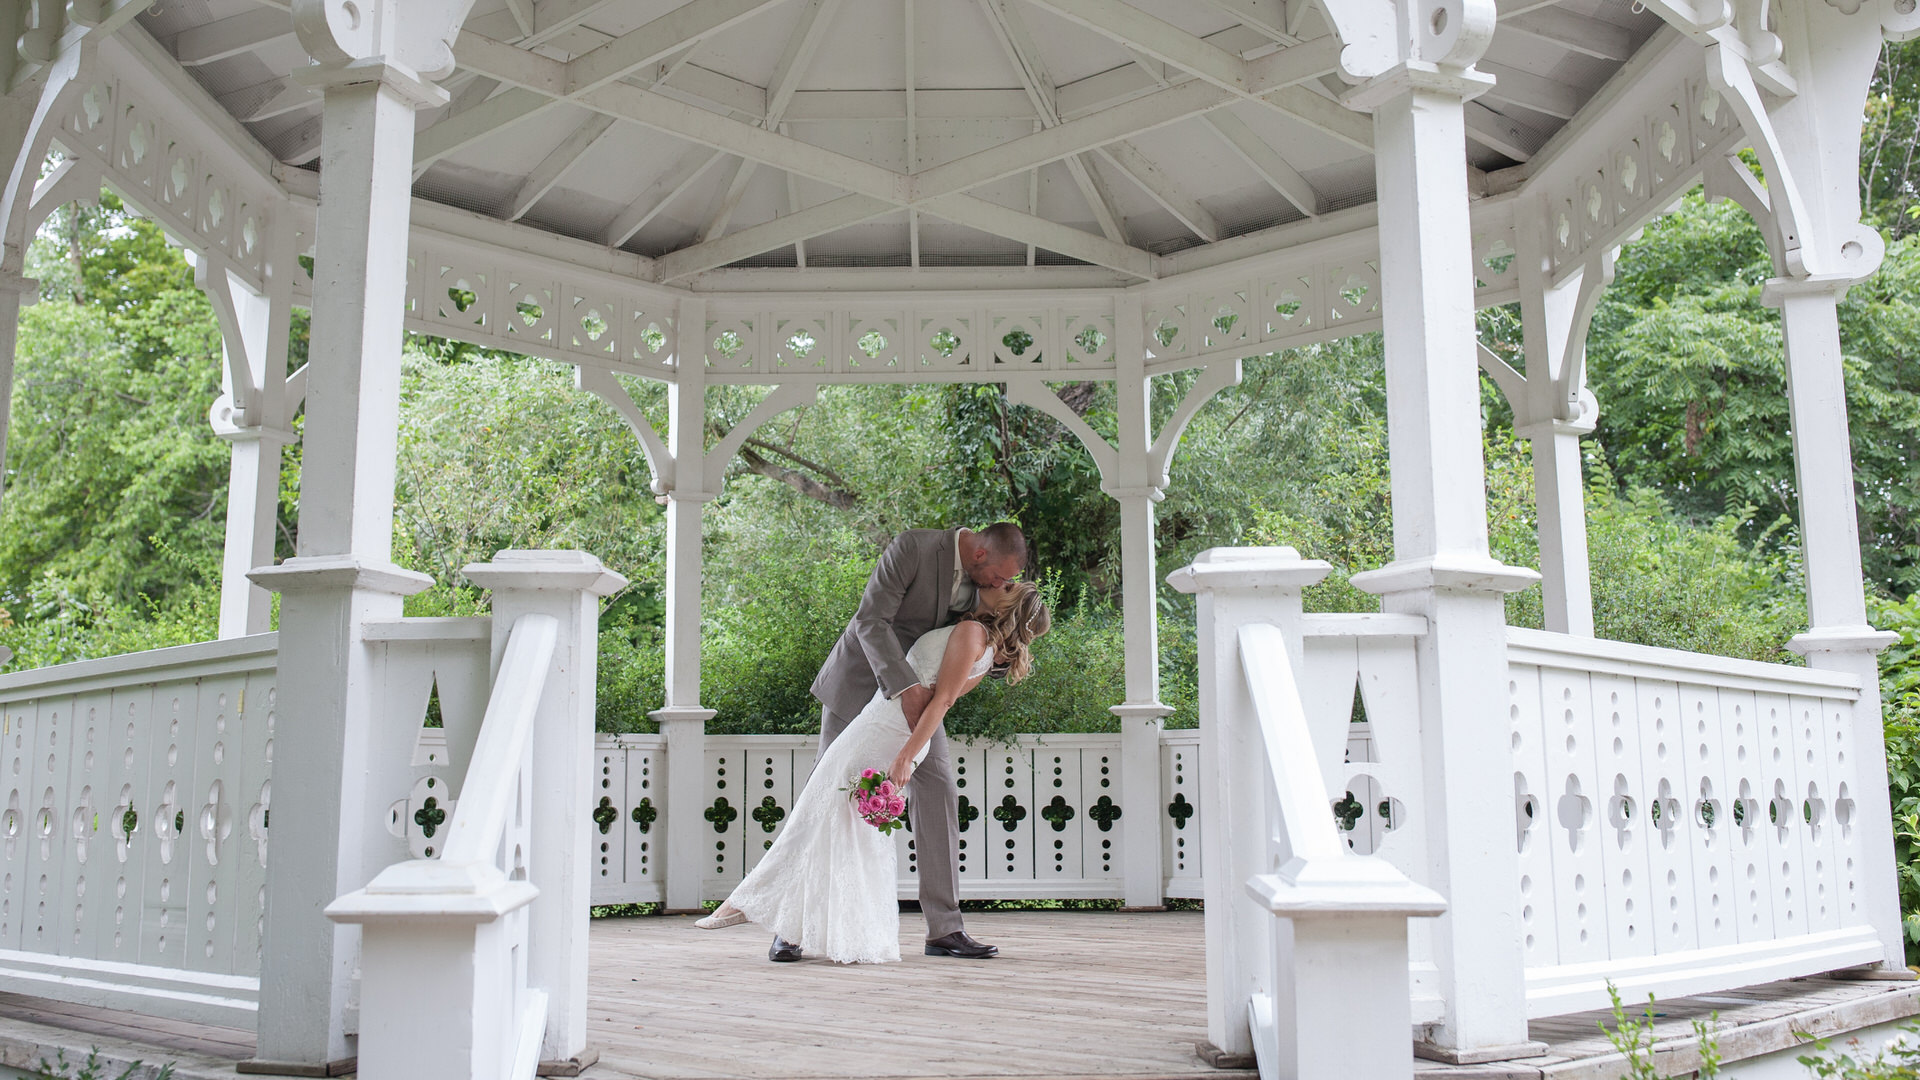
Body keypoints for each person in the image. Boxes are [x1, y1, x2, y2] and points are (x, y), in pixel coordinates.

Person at [693, 564, 1048, 964]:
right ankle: (826, 929)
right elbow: (938, 698)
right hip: (887, 727)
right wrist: (910, 751)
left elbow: (942, 702)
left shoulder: (972, 634)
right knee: (844, 831)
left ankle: (749, 902)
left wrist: (905, 757)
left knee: (816, 811)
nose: (1001, 584)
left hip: (885, 731)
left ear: (1009, 606)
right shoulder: (982, 646)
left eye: (1010, 587)